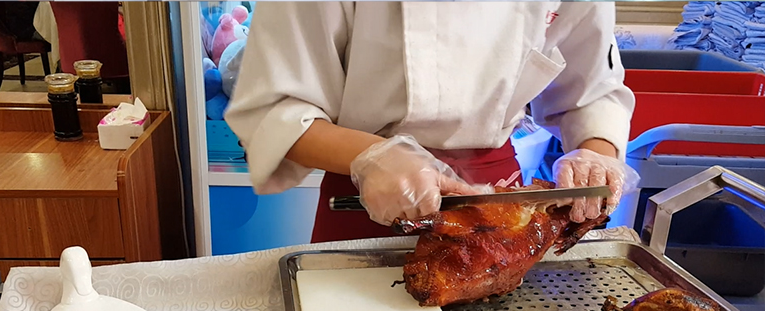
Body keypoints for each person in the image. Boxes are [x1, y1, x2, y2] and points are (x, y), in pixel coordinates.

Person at [226, 2, 640, 243]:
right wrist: (372, 157)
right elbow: (272, 109)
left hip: (496, 202)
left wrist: (595, 153)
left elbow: (593, 87)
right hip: (368, 193)